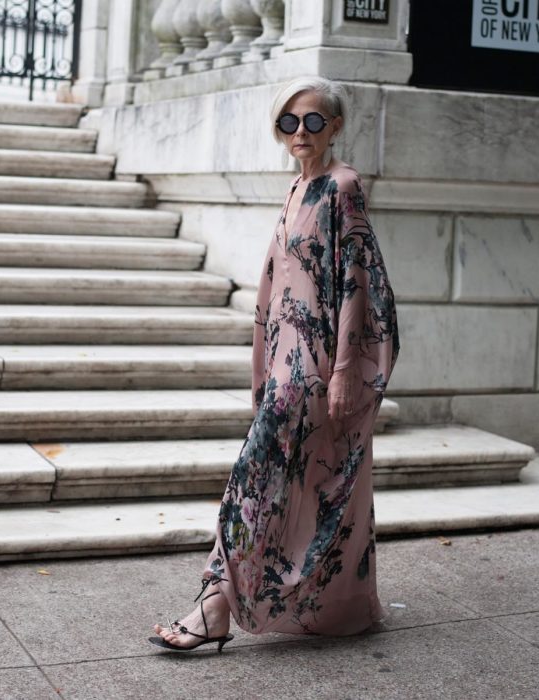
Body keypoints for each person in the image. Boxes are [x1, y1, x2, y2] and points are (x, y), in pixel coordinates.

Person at [150, 75, 400, 652]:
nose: (300, 132)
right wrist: (262, 368)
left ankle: (215, 603)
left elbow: (357, 285)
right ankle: (332, 604)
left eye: (313, 121)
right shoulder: (295, 190)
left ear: (334, 126)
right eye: (289, 122)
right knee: (289, 483)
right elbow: (274, 289)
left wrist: (343, 371)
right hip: (286, 363)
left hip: (314, 369)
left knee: (255, 480)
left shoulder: (344, 187)